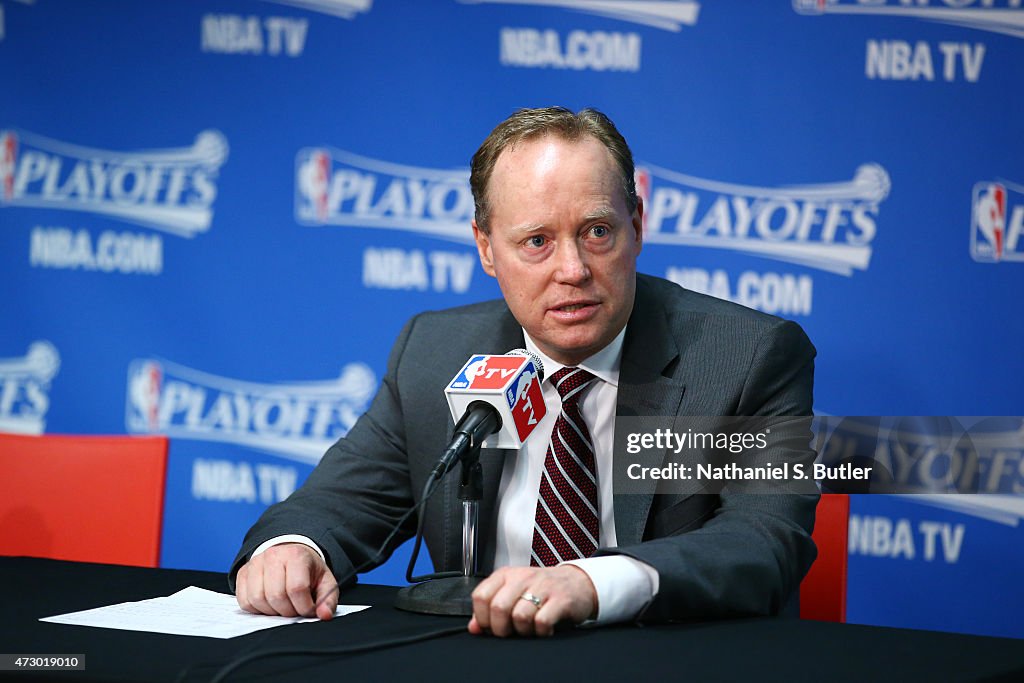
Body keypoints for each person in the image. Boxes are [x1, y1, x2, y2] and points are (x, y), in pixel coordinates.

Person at [231, 107, 818, 637]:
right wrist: (293, 548)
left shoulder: (746, 356)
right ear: (486, 249)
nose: (573, 269)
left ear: (636, 226)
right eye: (536, 241)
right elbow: (338, 500)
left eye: (597, 232)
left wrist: (596, 582)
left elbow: (764, 539)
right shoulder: (435, 352)